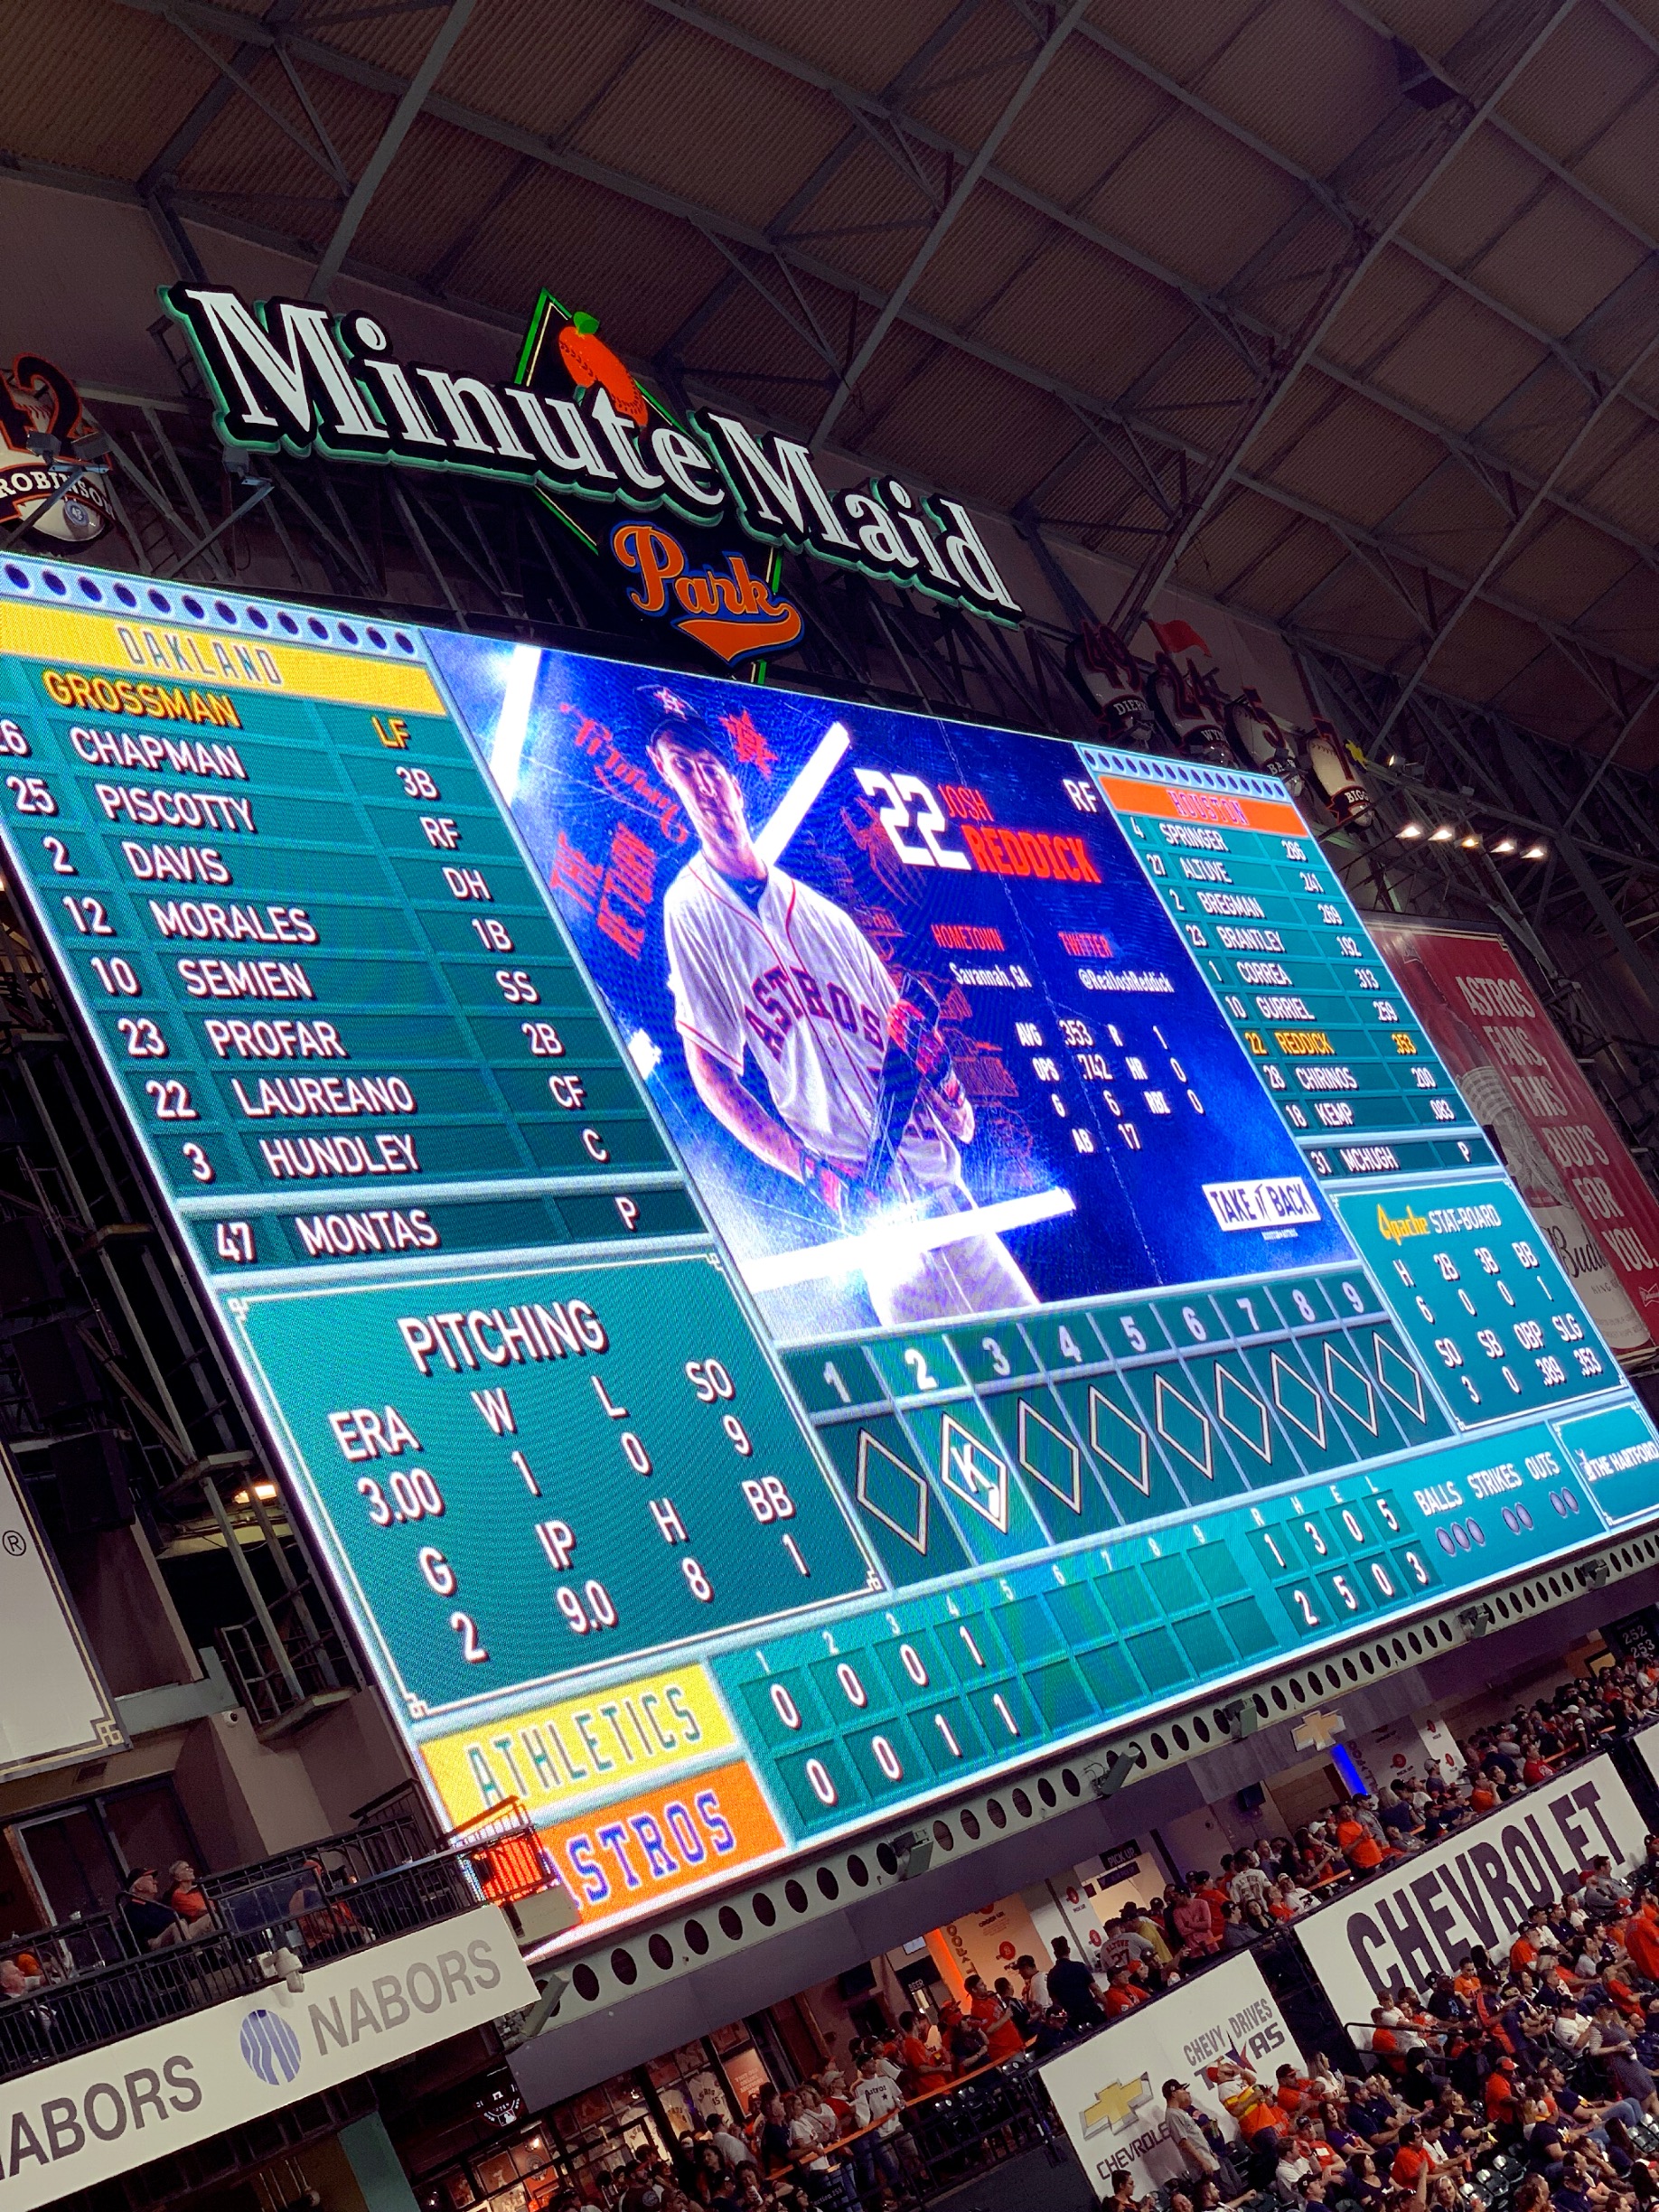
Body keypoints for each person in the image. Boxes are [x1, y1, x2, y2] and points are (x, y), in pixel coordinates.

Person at [646, 689, 1039, 1326]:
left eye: (707, 763)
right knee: (953, 1406)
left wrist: (941, 1076)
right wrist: (808, 1168)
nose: (701, 781)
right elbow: (712, 1077)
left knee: (1057, 1370)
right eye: (680, 768)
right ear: (672, 787)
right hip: (872, 1212)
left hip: (946, 1192)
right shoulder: (688, 908)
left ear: (734, 781)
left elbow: (953, 1111)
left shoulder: (828, 917)